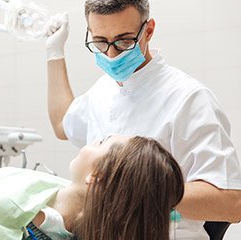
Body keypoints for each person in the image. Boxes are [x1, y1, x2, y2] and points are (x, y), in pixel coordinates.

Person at [44, 0, 241, 238]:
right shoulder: (103, 90)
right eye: (100, 42)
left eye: (124, 41)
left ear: (148, 31)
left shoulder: (188, 98)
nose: (112, 54)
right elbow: (61, 124)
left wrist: (134, 189)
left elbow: (232, 203)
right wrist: (54, 54)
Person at [0, 136, 184, 240]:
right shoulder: (57, 195)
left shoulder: (19, 222)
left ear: (96, 177)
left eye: (101, 142)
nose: (92, 142)